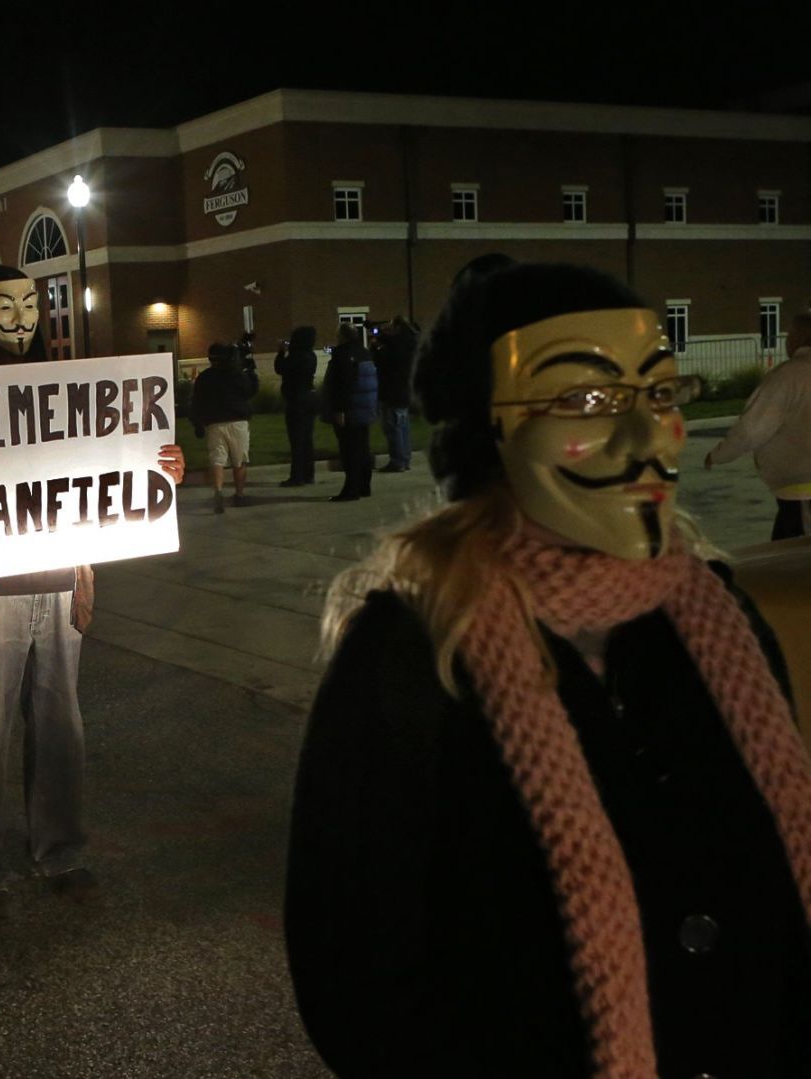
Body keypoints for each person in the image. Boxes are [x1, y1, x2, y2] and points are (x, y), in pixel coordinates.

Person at [286, 258, 811, 1077]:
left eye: (660, 395)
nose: (648, 442)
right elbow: (354, 972)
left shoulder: (720, 618)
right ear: (486, 432)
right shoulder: (408, 657)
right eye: (587, 401)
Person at [0, 263, 186, 919]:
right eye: (4, 306)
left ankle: (60, 851)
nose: (20, 317)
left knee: (61, 724)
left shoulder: (74, 386)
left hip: (63, 576)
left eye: (30, 304)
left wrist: (163, 466)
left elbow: (123, 463)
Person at [706, 309, 811, 540]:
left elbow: (752, 429)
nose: (787, 340)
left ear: (801, 337)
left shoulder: (788, 376)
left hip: (801, 490)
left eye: (790, 334)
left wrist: (719, 455)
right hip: (797, 494)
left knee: (795, 564)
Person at [190, 337, 259, 512]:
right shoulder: (236, 374)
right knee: (240, 460)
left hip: (214, 423)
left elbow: (196, 402)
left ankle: (218, 491)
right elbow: (250, 391)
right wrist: (250, 371)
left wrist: (197, 423)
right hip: (238, 421)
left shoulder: (205, 378)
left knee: (217, 459)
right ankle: (239, 494)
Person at [322, 322, 378, 501]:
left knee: (349, 451)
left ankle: (351, 490)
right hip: (365, 409)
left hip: (350, 410)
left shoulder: (342, 355)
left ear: (342, 336)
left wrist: (340, 410)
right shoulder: (364, 352)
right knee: (363, 448)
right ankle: (364, 485)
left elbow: (342, 385)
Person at [274, 327, 321, 487]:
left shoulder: (296, 356)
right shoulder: (311, 356)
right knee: (307, 439)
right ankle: (309, 474)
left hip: (297, 400)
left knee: (296, 440)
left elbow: (280, 368)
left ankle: (297, 476)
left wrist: (281, 352)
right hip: (309, 398)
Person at [375, 315, 419, 472]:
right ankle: (405, 459)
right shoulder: (410, 343)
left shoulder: (398, 346)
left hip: (393, 392)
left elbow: (384, 362)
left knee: (393, 427)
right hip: (404, 391)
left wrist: (378, 341)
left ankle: (398, 461)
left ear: (398, 328)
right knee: (403, 426)